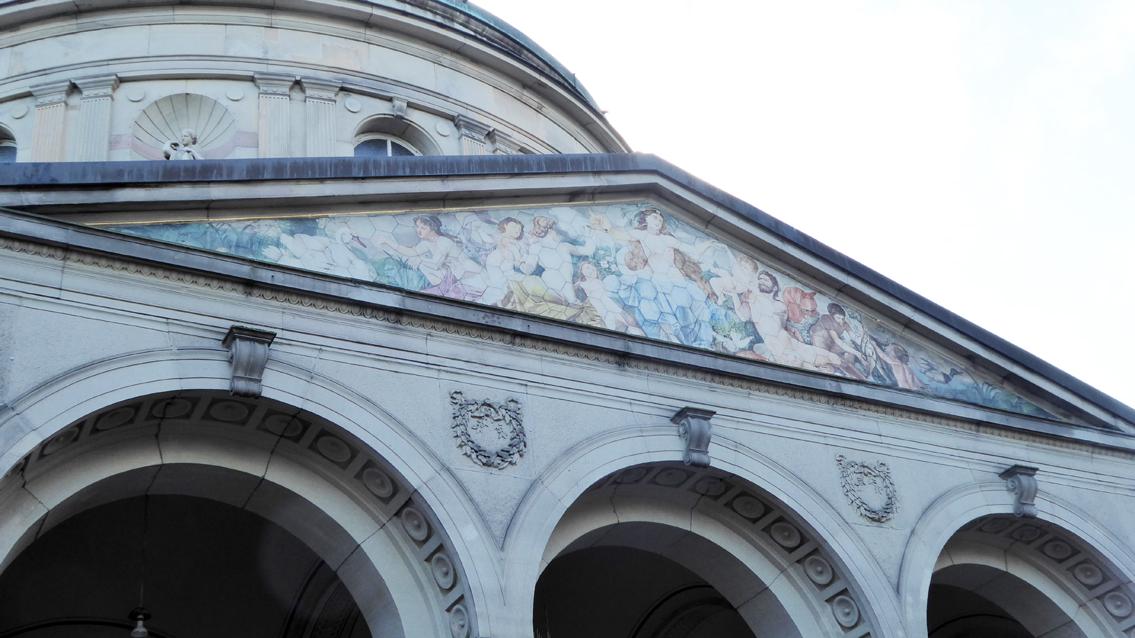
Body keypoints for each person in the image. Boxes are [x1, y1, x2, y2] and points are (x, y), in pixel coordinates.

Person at [377, 215, 482, 300]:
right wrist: (388, 242)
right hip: (455, 276)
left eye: (423, 228)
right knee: (421, 264)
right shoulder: (427, 243)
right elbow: (411, 252)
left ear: (433, 229)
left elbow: (436, 264)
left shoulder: (443, 241)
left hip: (471, 275)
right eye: (417, 227)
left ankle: (440, 289)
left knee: (423, 264)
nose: (418, 230)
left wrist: (420, 260)